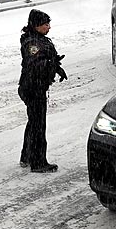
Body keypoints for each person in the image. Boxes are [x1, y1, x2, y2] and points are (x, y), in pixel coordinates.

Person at [18, 9, 66, 173]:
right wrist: (50, 64)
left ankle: (26, 156)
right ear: (37, 25)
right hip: (33, 88)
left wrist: (56, 67)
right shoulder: (32, 43)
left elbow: (45, 60)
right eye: (46, 24)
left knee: (33, 122)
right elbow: (35, 63)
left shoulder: (39, 39)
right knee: (38, 125)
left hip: (35, 86)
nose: (49, 27)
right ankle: (38, 162)